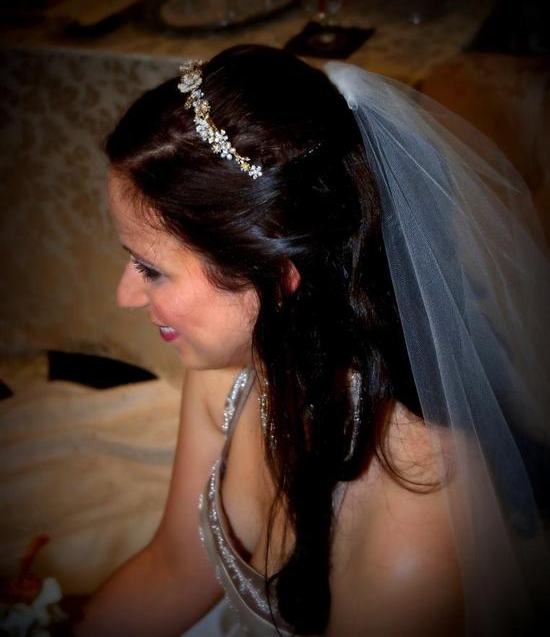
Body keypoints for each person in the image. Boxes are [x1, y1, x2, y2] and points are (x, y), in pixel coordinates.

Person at [75, 44, 549, 637]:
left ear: (277, 278)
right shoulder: (228, 368)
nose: (125, 295)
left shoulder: (416, 513)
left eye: (150, 268)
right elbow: (174, 568)